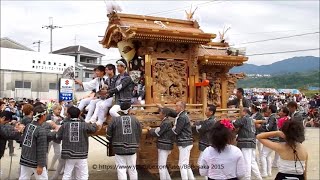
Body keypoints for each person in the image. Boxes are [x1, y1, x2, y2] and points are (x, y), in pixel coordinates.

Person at [56, 106, 97, 180]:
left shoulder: (64, 126)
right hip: (81, 154)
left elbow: (58, 136)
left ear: (68, 115)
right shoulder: (84, 125)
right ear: (79, 115)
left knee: (67, 174)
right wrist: (94, 124)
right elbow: (93, 129)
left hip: (69, 154)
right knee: (84, 175)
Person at [158, 101, 195, 180]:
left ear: (181, 107)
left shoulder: (182, 117)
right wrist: (162, 108)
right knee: (185, 164)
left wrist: (166, 132)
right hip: (186, 142)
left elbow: (176, 131)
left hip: (185, 142)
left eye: (177, 106)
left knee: (182, 164)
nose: (175, 108)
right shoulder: (181, 115)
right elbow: (171, 112)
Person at [106, 102, 142, 180]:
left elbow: (108, 136)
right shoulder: (135, 120)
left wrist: (114, 141)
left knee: (121, 170)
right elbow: (139, 133)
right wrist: (135, 142)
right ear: (129, 110)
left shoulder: (114, 120)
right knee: (132, 170)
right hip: (132, 148)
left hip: (119, 149)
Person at [19, 105, 52, 180]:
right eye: (45, 114)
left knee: (23, 178)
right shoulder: (41, 130)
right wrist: (41, 165)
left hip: (25, 158)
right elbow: (42, 149)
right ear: (43, 116)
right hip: (35, 161)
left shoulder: (28, 125)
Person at [233, 108, 262, 180]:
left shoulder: (245, 118)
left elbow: (235, 124)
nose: (240, 113)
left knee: (247, 161)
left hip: (246, 142)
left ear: (244, 112)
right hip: (251, 141)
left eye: (241, 111)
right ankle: (258, 177)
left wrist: (233, 120)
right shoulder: (251, 119)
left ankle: (247, 178)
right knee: (252, 161)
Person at [147, 108, 174, 180]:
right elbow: (158, 130)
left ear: (164, 114)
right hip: (165, 146)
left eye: (160, 113)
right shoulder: (166, 122)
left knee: (161, 167)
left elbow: (158, 133)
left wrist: (150, 129)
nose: (159, 114)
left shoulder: (166, 122)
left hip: (164, 146)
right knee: (163, 166)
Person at [256, 104, 279, 178]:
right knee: (268, 155)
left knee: (263, 155)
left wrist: (260, 127)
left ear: (270, 110)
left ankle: (264, 172)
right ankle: (268, 172)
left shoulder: (272, 117)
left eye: (268, 109)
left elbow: (269, 127)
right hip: (275, 138)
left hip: (271, 138)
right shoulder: (275, 117)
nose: (267, 110)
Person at [46, 104, 64, 171]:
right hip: (49, 136)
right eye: (58, 109)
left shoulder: (62, 118)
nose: (59, 111)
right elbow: (45, 125)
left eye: (60, 110)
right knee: (46, 152)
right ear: (54, 109)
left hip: (57, 137)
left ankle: (52, 166)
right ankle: (45, 167)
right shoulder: (48, 116)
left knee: (58, 153)